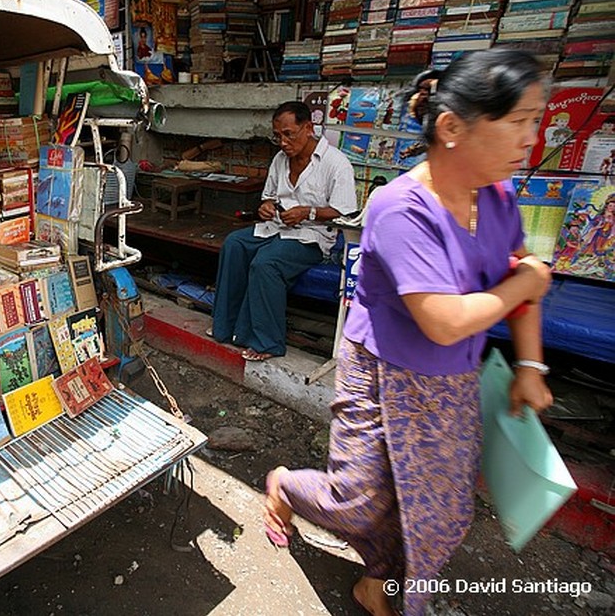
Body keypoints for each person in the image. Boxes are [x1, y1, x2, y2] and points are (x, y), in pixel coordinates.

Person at [263, 50, 554, 616]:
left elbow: (521, 277)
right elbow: (446, 320)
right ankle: (285, 485)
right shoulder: (398, 207)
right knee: (358, 502)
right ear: (452, 128)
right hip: (382, 372)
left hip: (452, 382)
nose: (530, 138)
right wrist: (527, 284)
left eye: (534, 120)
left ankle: (379, 584)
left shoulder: (498, 197)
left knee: (439, 511)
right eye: (517, 121)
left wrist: (531, 365)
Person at [211, 101, 357, 361]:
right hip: (276, 228)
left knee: (266, 264)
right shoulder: (280, 160)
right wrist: (266, 207)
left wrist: (307, 212)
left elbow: (345, 212)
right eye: (277, 136)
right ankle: (227, 328)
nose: (283, 142)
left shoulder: (336, 163)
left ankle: (269, 342)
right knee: (234, 244)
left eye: (289, 134)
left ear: (308, 128)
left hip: (312, 237)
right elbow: (268, 197)